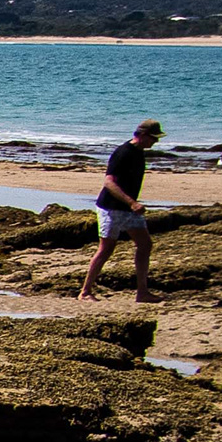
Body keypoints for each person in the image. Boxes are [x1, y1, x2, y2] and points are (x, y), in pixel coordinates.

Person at [81, 118, 165, 303]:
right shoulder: (123, 152)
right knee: (106, 249)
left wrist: (131, 205)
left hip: (128, 209)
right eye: (153, 138)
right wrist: (131, 203)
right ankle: (85, 292)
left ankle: (142, 292)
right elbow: (109, 182)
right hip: (111, 208)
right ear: (142, 135)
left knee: (145, 245)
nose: (156, 142)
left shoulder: (139, 152)